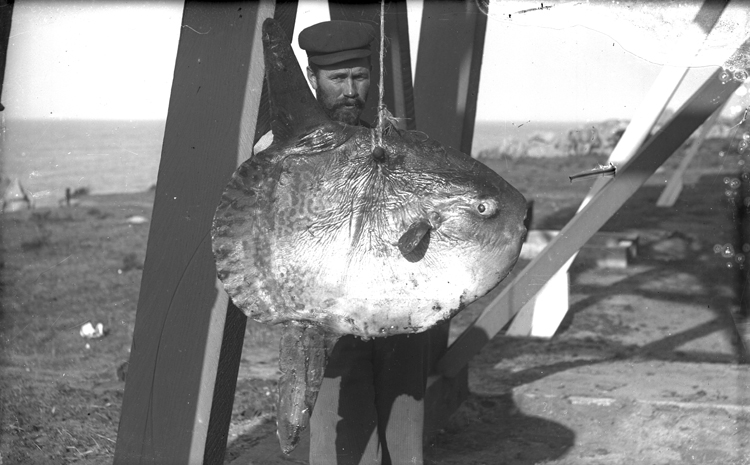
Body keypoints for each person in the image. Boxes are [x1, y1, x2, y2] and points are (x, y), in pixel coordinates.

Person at [294, 20, 433, 465]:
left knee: (404, 429)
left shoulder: (394, 145)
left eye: (360, 77)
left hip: (399, 311)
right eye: (337, 79)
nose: (351, 90)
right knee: (342, 437)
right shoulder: (292, 152)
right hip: (332, 318)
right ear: (313, 77)